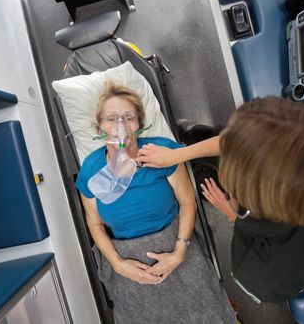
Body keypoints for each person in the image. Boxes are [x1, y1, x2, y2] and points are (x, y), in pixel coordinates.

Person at [136, 96, 304, 303]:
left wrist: (230, 213)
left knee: (210, 182)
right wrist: (176, 155)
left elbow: (248, 220)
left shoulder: (259, 258)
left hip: (266, 277)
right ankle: (198, 136)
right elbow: (239, 140)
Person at [75, 82, 236, 323]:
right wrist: (118, 264)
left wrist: (179, 252)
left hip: (174, 241)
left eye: (128, 117)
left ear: (139, 123)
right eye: (111, 118)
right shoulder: (90, 170)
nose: (120, 126)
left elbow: (187, 202)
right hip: (126, 256)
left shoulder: (161, 152)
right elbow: (95, 225)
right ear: (100, 126)